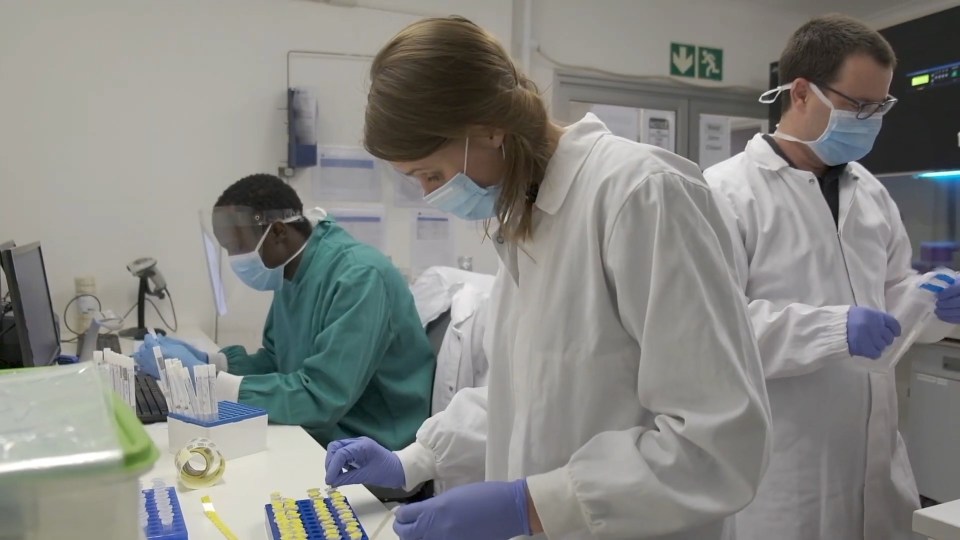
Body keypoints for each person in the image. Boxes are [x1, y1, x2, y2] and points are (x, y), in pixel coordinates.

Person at [323, 16, 771, 540]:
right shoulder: (527, 217)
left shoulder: (640, 196)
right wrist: (417, 459)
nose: (430, 196)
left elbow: (717, 444)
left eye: (433, 175)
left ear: (490, 126)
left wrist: (529, 504)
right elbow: (528, 394)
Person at [703, 14, 960, 540]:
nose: (871, 120)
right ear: (801, 93)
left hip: (876, 463)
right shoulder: (725, 193)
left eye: (880, 106)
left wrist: (928, 302)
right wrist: (831, 330)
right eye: (858, 106)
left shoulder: (870, 193)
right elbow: (713, 329)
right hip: (784, 474)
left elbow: (890, 296)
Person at [133, 173, 435, 451]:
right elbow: (278, 361)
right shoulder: (293, 271)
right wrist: (213, 363)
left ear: (277, 232)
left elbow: (321, 397)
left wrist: (210, 385)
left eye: (236, 247)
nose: (234, 260)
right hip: (320, 432)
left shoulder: (358, 276)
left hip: (372, 448)